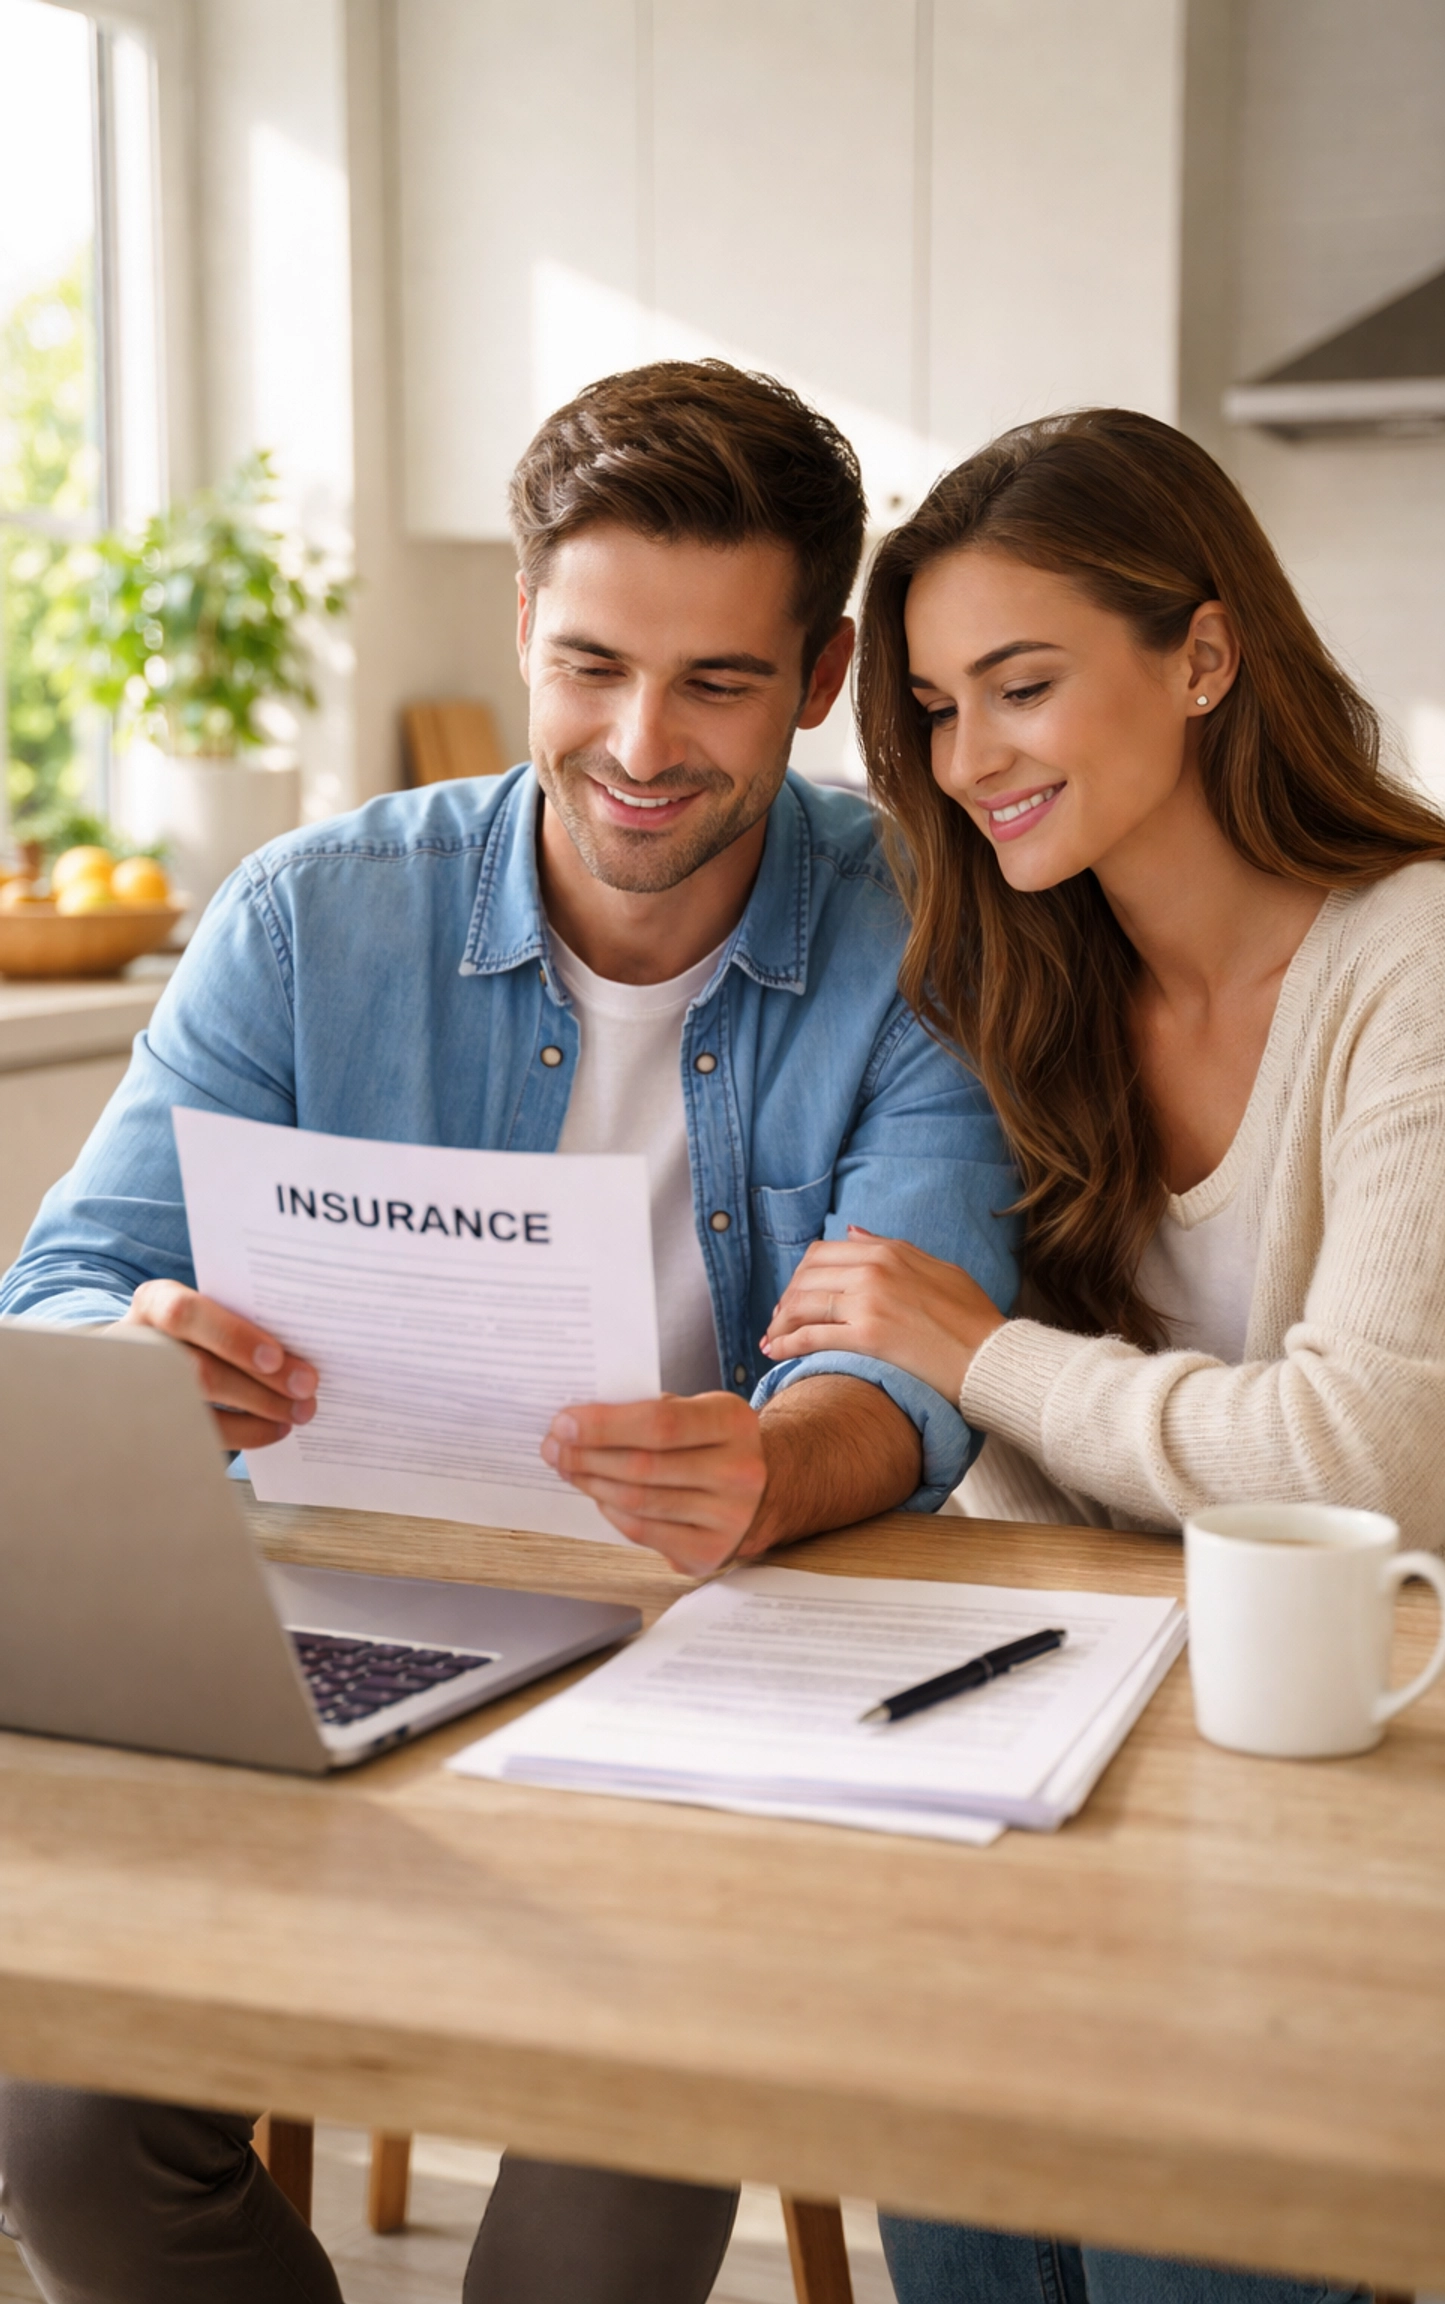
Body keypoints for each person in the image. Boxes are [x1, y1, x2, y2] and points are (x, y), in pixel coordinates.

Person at [0, 360, 1019, 2304]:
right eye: (591, 666)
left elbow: (916, 1361)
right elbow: (54, 1284)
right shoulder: (309, 917)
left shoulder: (930, 934)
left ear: (817, 678)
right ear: (523, 633)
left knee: (602, 2207)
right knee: (64, 2123)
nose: (641, 742)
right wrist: (143, 1344)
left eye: (718, 681)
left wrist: (780, 1461)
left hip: (725, 1667)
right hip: (347, 1623)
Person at [760, 406, 1445, 2304]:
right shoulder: (1025, 977)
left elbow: (1359, 1465)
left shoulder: (1436, 955)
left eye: (1021, 687)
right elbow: (1021, 1467)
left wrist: (983, 1349)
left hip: (1398, 1747)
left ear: (1203, 655)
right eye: (937, 709)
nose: (973, 761)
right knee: (950, 2188)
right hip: (1099, 1732)